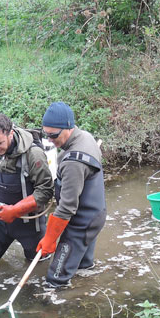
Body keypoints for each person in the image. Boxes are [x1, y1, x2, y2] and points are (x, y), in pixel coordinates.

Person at [35, 102, 107, 287]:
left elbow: (66, 207)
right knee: (83, 268)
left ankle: (55, 311)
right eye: (46, 134)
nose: (50, 140)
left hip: (81, 223)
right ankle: (84, 296)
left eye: (53, 135)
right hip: (95, 214)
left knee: (55, 279)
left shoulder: (74, 161)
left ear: (69, 127)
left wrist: (50, 240)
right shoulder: (86, 136)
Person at [0, 113, 54, 269]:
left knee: (39, 272)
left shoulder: (33, 154)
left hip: (30, 225)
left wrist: (15, 210)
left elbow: (45, 190)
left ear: (11, 134)